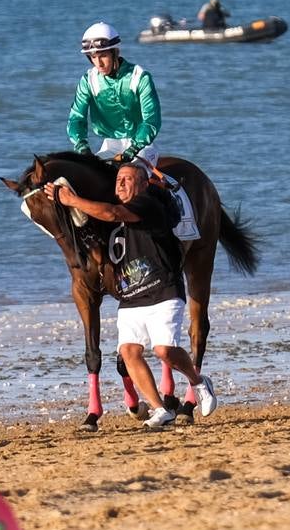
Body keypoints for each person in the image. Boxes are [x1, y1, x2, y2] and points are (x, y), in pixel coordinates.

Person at [44, 163, 217, 427]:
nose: (121, 183)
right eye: (118, 179)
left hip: (163, 290)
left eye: (128, 179)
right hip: (131, 297)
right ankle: (161, 409)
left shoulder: (147, 204)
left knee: (164, 351)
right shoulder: (116, 204)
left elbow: (112, 213)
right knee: (128, 352)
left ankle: (198, 382)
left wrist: (71, 199)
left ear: (143, 184)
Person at [67, 22, 162, 165]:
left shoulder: (140, 77)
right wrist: (82, 146)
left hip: (143, 147)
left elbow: (151, 120)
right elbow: (76, 118)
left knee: (130, 176)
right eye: (93, 57)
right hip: (110, 145)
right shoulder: (88, 80)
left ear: (115, 52)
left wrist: (134, 148)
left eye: (103, 56)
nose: (98, 63)